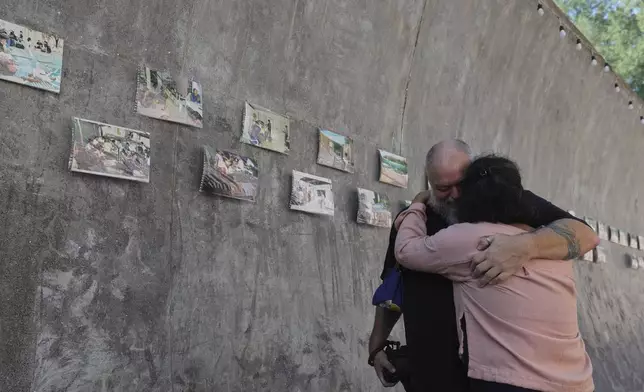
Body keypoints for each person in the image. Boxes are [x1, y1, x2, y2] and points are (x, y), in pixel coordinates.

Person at [368, 140, 598, 391]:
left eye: (461, 183)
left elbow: (585, 235)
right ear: (429, 182)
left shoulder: (510, 201)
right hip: (432, 369)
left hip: (492, 375)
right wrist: (376, 346)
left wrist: (525, 247)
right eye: (443, 187)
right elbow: (392, 285)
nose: (455, 194)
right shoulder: (412, 223)